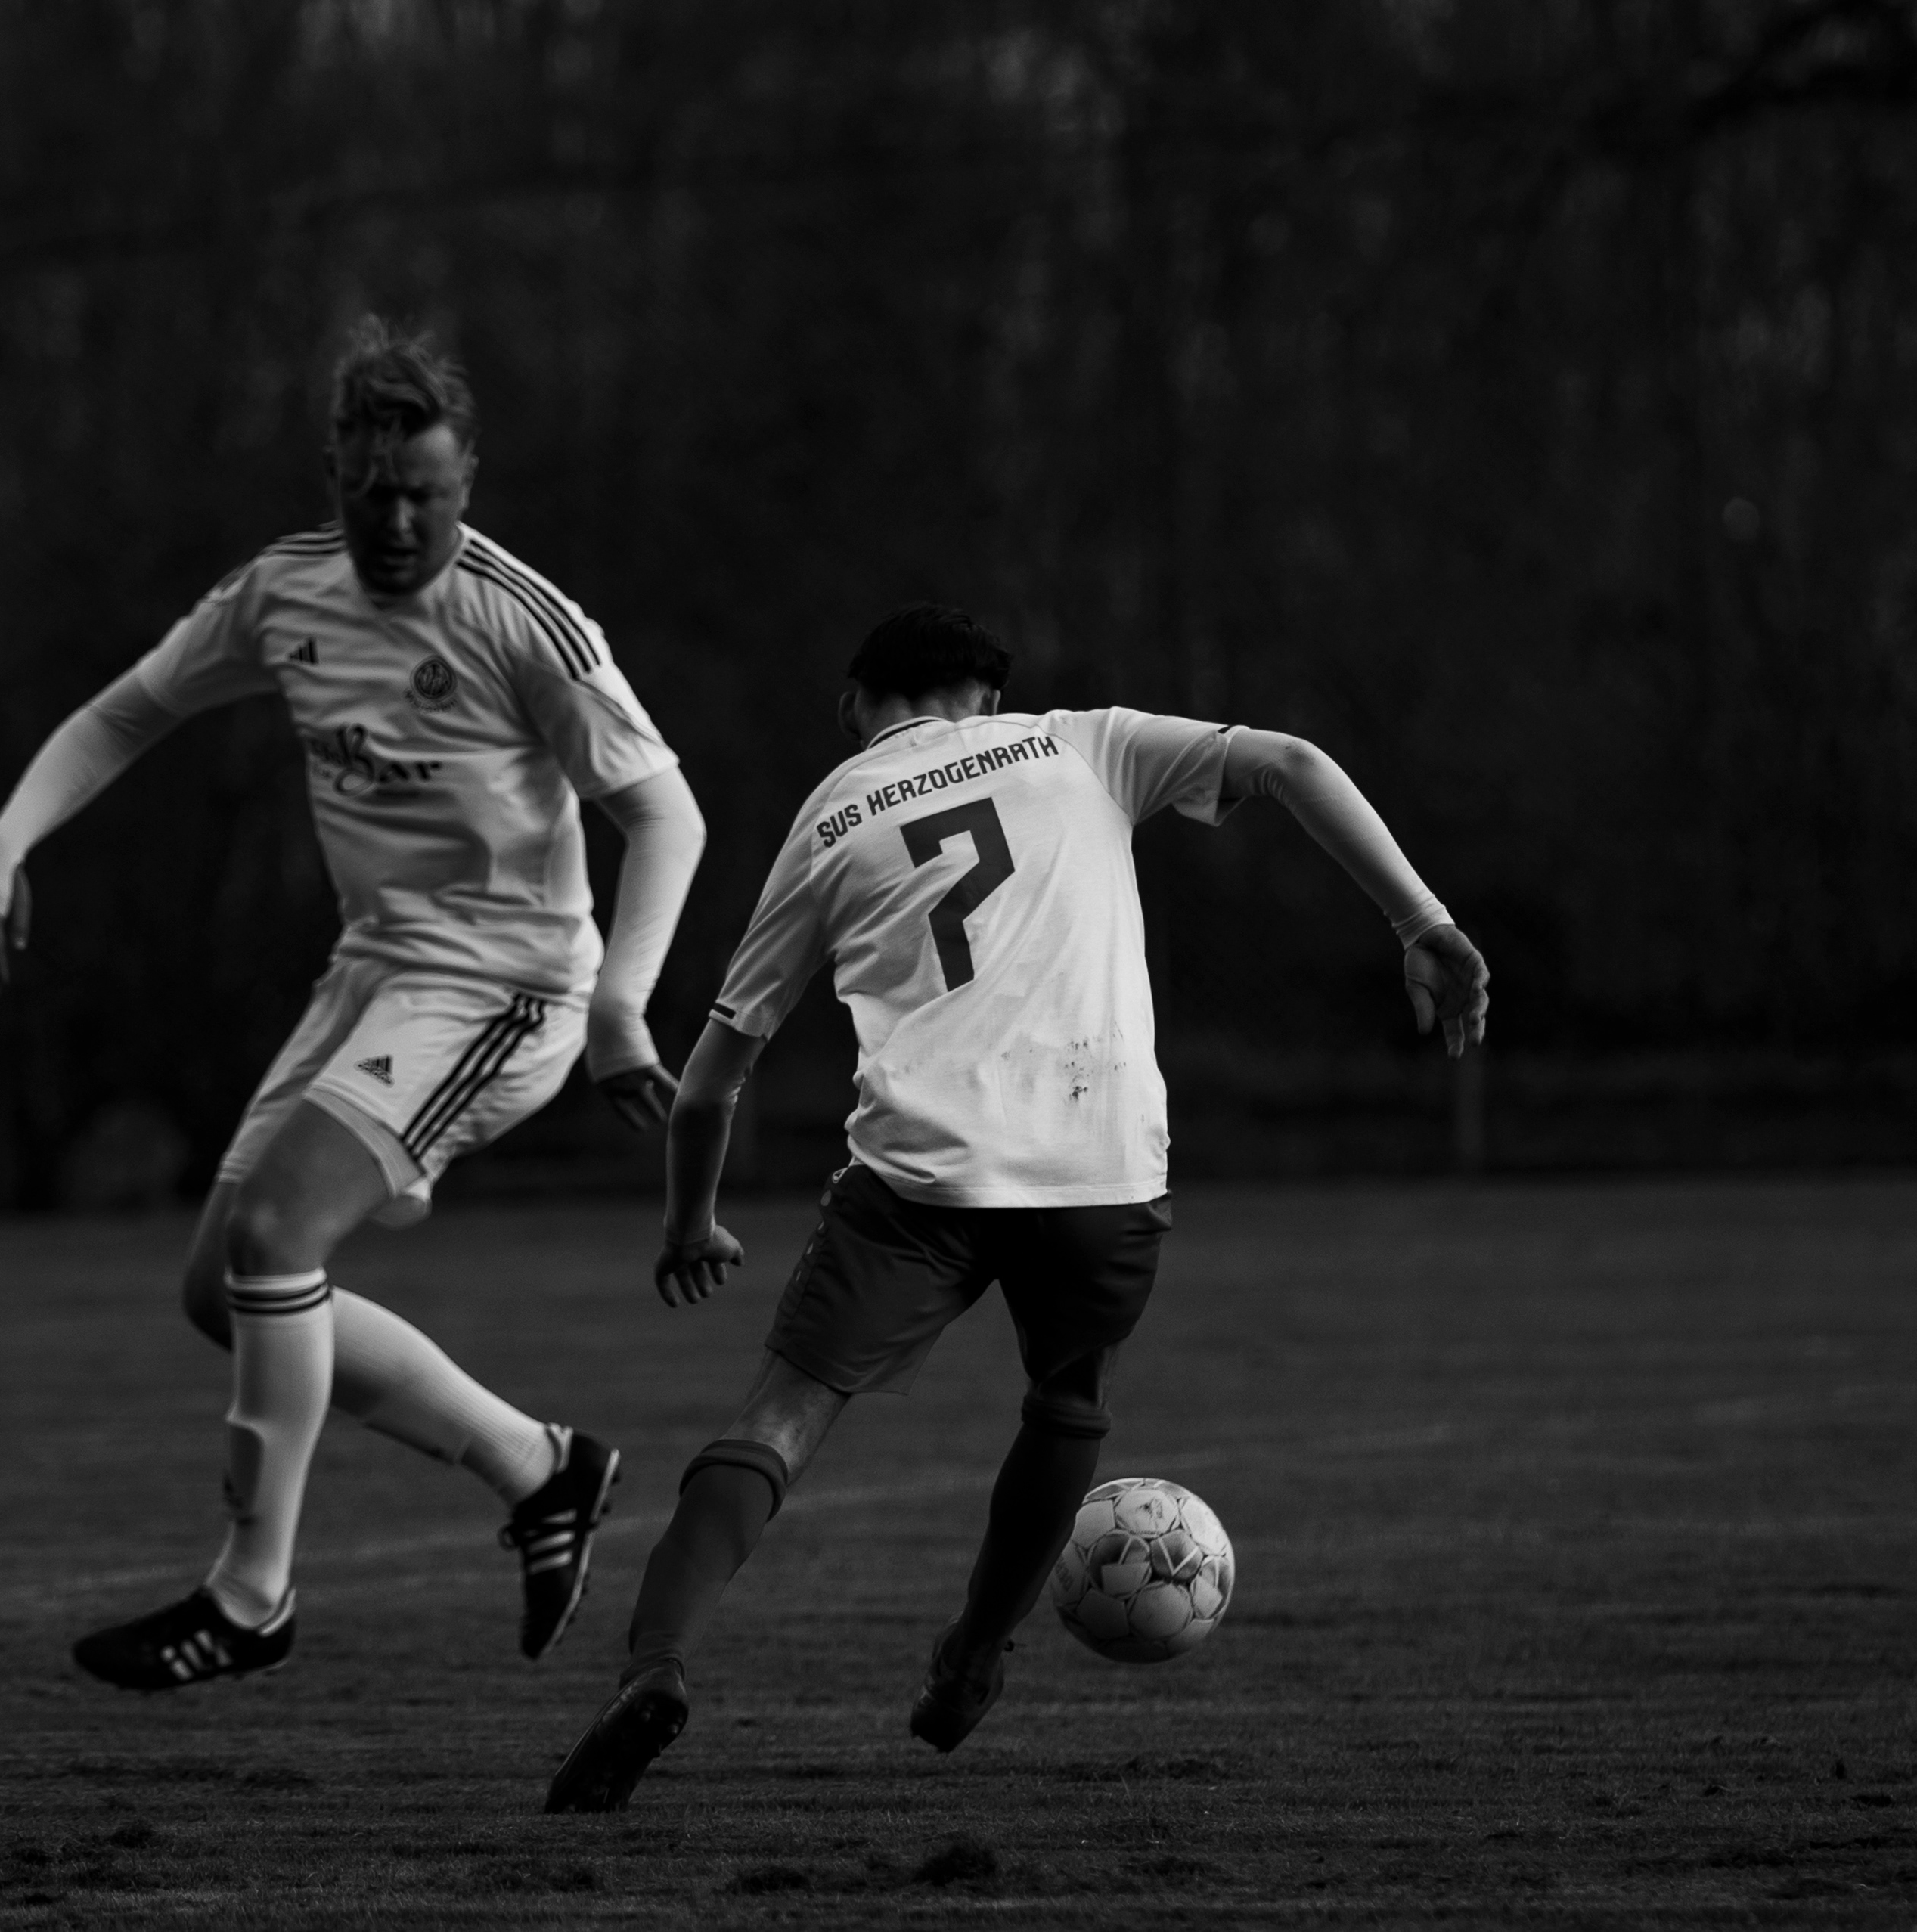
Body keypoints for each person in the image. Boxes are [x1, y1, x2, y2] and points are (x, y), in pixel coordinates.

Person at [544, 603, 1487, 1810]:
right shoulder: (1082, 743)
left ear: (857, 703)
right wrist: (1423, 922)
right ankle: (973, 1661)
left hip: (917, 1181)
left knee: (781, 1418)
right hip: (1101, 1166)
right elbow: (1294, 763)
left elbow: (711, 1082)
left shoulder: (833, 815)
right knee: (1067, 1403)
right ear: (987, 697)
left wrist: (691, 1225)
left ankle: (656, 1668)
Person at [0, 318, 706, 1687]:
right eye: (372, 494)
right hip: (374, 973)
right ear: (334, 479)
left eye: (425, 493)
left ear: (467, 480)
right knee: (226, 1291)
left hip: (512, 988)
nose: (398, 522)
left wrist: (623, 1011)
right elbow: (125, 715)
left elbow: (666, 815)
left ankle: (251, 1597)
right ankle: (539, 1467)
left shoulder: (525, 623)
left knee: (275, 1234)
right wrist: (5, 849)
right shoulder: (283, 592)